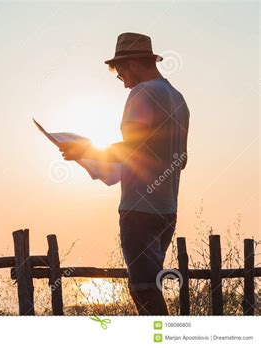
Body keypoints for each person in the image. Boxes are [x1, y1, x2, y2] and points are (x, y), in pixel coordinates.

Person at [59, 32, 190, 315]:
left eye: (121, 74)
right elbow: (181, 160)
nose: (123, 82)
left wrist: (85, 152)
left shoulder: (142, 93)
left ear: (132, 63)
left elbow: (132, 146)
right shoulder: (179, 100)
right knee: (149, 285)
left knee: (142, 289)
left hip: (139, 209)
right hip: (167, 210)